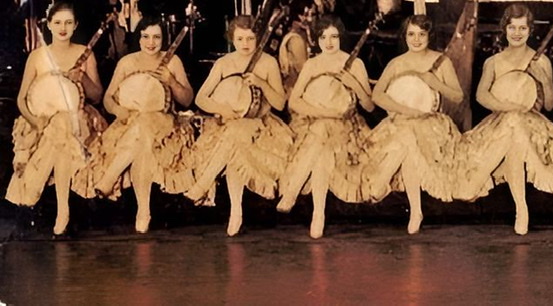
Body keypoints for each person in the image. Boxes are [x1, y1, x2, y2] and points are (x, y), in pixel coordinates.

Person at [458, 4, 553, 235]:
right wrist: (507, 107)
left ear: (530, 30)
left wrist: (544, 81)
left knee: (517, 126)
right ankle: (521, 208)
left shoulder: (541, 62)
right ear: (505, 29)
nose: (517, 33)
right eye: (512, 27)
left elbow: (550, 105)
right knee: (512, 125)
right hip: (500, 121)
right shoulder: (494, 62)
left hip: (532, 124)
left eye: (522, 28)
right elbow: (482, 95)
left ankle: (480, 182)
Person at [5, 2, 108, 235]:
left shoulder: (85, 53)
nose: (63, 28)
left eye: (69, 23)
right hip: (40, 119)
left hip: (77, 118)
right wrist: (34, 121)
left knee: (63, 124)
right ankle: (62, 210)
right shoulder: (37, 56)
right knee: (58, 128)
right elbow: (21, 99)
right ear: (48, 25)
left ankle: (41, 198)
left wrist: (82, 78)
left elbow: (97, 95)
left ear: (76, 26)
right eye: (58, 22)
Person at [185, 15, 292, 236]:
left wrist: (261, 83)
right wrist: (221, 109)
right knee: (235, 148)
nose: (245, 44)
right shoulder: (224, 64)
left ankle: (205, 185)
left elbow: (280, 103)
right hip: (229, 122)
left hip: (259, 124)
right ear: (232, 39)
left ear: (258, 38)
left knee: (236, 137)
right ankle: (236, 212)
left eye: (250, 39)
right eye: (240, 39)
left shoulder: (268, 62)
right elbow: (200, 99)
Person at [365, 15, 468, 235]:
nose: (416, 39)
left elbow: (458, 96)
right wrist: (405, 109)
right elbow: (377, 95)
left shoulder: (441, 61)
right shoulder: (397, 63)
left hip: (429, 122)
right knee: (407, 138)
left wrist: (436, 84)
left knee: (410, 137)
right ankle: (416, 211)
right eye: (411, 34)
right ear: (405, 36)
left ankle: (382, 182)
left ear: (429, 36)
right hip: (402, 119)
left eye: (422, 34)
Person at [94, 16, 197, 233]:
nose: (151, 42)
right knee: (142, 137)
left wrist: (171, 81)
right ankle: (144, 211)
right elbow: (108, 97)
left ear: (164, 39)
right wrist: (117, 109)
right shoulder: (127, 62)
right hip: (130, 121)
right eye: (146, 37)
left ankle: (110, 177)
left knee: (146, 126)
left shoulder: (173, 61)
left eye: (157, 37)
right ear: (138, 38)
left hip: (164, 123)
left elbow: (187, 99)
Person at [276, 15, 374, 238]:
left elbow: (368, 106)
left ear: (341, 38)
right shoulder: (312, 64)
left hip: (346, 128)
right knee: (321, 141)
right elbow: (294, 102)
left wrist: (355, 85)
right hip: (316, 122)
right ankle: (318, 214)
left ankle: (294, 192)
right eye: (323, 37)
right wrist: (324, 112)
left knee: (322, 140)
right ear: (317, 41)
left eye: (334, 37)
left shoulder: (354, 63)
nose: (329, 43)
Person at [277, 0, 317, 98]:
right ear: (300, 16)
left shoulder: (303, 35)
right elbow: (303, 70)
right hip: (296, 92)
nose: (311, 19)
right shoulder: (295, 39)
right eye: (310, 14)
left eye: (313, 15)